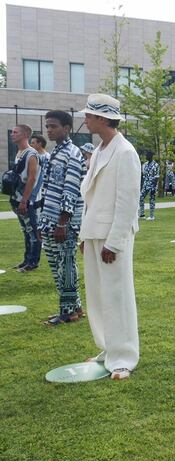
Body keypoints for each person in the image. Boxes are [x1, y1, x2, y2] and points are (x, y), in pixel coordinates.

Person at [78, 94, 141, 381]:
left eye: (89, 116)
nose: (85, 120)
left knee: (117, 297)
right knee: (99, 295)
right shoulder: (100, 150)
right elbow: (88, 196)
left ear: (103, 119)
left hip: (111, 236)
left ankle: (124, 358)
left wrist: (113, 242)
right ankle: (108, 348)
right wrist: (83, 234)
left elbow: (127, 203)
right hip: (93, 232)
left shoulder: (125, 152)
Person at [38, 110, 85, 325]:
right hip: (50, 219)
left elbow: (71, 189)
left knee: (65, 264)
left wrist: (62, 222)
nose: (49, 129)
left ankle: (67, 312)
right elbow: (49, 190)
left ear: (66, 128)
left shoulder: (72, 153)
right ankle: (75, 307)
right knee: (57, 264)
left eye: (53, 126)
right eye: (47, 126)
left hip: (63, 222)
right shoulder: (56, 152)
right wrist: (44, 221)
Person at [9, 124, 42, 272]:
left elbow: (31, 178)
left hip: (26, 201)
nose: (12, 134)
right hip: (17, 198)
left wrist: (24, 201)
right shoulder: (19, 152)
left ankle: (33, 262)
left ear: (24, 135)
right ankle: (27, 259)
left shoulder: (31, 154)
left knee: (33, 232)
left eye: (15, 132)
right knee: (25, 231)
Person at [139, 151, 159, 221]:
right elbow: (143, 176)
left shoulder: (155, 165)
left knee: (152, 200)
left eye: (147, 155)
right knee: (141, 197)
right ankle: (142, 214)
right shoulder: (145, 164)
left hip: (152, 184)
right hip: (145, 184)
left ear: (150, 156)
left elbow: (156, 177)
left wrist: (154, 187)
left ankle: (151, 216)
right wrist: (142, 185)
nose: (146, 157)